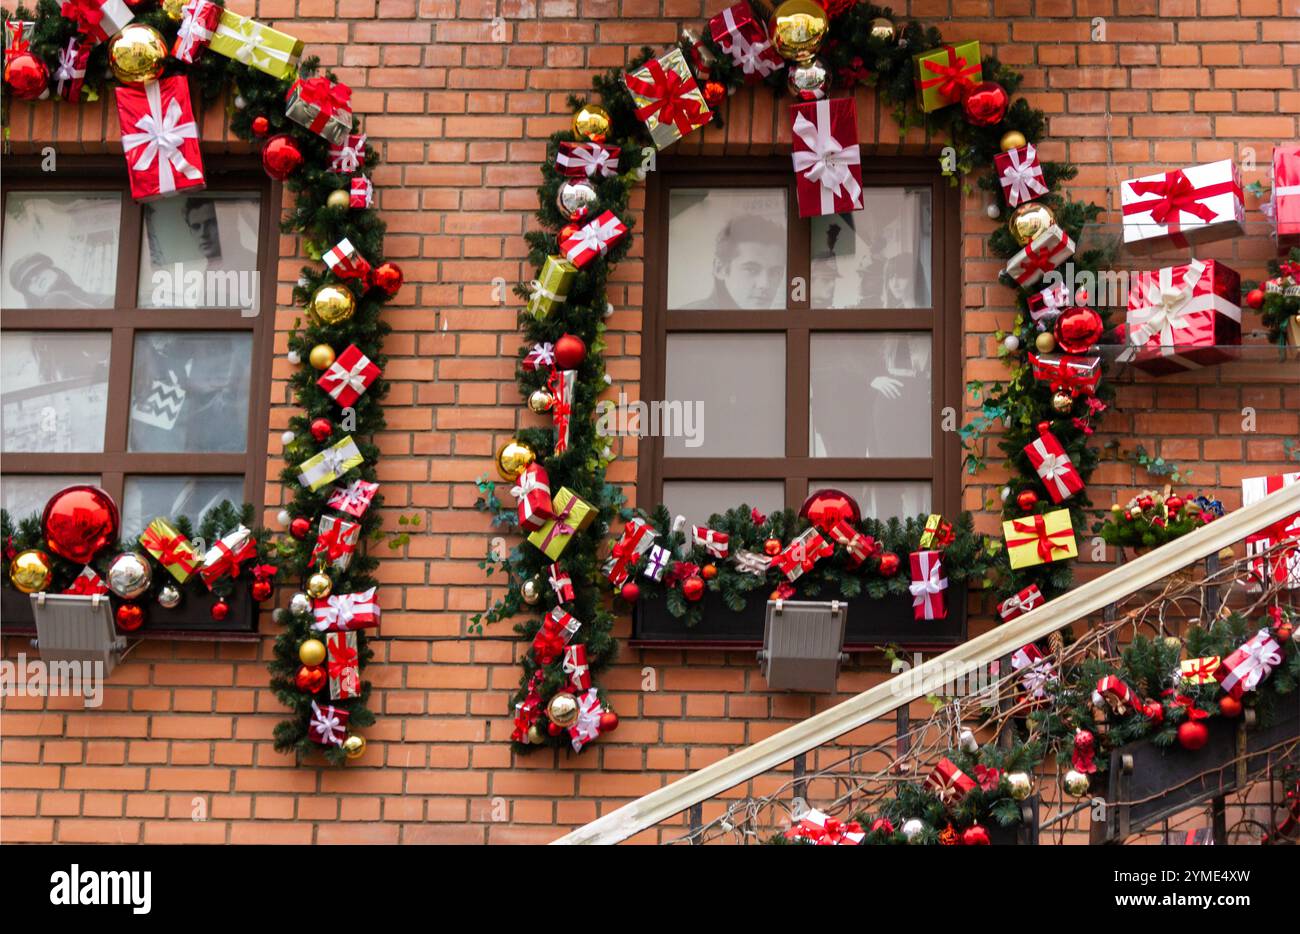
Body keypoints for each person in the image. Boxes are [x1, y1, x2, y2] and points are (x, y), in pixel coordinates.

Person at [679, 213, 786, 309]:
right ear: (720, 269)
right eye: (751, 270)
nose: (765, 284)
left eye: (776, 272)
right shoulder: (690, 318)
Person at [7, 252, 112, 308]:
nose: (34, 279)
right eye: (27, 283)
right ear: (31, 294)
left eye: (36, 271)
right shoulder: (54, 301)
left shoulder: (88, 296)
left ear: (52, 269)